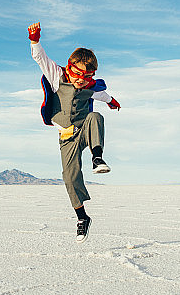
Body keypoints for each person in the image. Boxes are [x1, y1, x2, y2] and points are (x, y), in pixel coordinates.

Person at [28, 22, 120, 242]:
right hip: (67, 137)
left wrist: (111, 101)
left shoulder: (88, 87)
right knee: (70, 178)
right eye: (78, 75)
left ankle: (97, 158)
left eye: (86, 78)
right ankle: (82, 218)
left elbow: (101, 95)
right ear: (70, 67)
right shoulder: (56, 76)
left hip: (85, 130)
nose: (81, 81)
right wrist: (34, 41)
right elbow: (40, 58)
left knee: (94, 117)